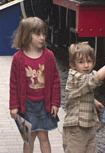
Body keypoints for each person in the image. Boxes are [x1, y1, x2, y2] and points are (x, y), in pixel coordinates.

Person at [9, 17, 61, 153]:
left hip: (44, 105)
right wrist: (14, 106)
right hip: (26, 106)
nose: (42, 37)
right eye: (38, 34)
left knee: (44, 137)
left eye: (44, 34)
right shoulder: (18, 58)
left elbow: (56, 80)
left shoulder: (49, 56)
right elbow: (13, 84)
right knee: (29, 138)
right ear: (27, 35)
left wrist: (55, 103)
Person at [62, 42, 105, 153]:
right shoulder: (75, 77)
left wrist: (94, 102)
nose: (86, 65)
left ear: (94, 63)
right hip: (76, 128)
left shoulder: (83, 77)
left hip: (88, 126)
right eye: (81, 62)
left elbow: (81, 93)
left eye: (89, 61)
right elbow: (97, 78)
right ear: (72, 65)